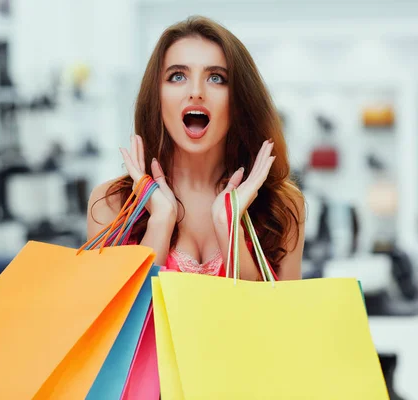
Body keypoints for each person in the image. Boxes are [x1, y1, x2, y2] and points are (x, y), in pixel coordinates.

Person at [87, 16, 305, 281]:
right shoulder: (111, 204)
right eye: (177, 76)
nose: (196, 92)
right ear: (156, 97)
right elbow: (119, 318)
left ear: (239, 100)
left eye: (216, 78)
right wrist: (160, 221)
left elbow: (278, 318)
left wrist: (229, 226)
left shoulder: (282, 207)